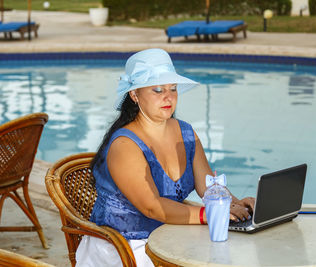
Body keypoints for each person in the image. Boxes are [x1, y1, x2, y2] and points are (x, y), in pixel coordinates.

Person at [75, 48, 255, 267]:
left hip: (168, 236)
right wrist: (209, 214)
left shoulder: (186, 133)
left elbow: (208, 186)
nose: (168, 97)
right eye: (158, 90)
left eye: (173, 89)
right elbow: (151, 207)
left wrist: (237, 205)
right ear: (134, 95)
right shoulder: (124, 145)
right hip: (123, 246)